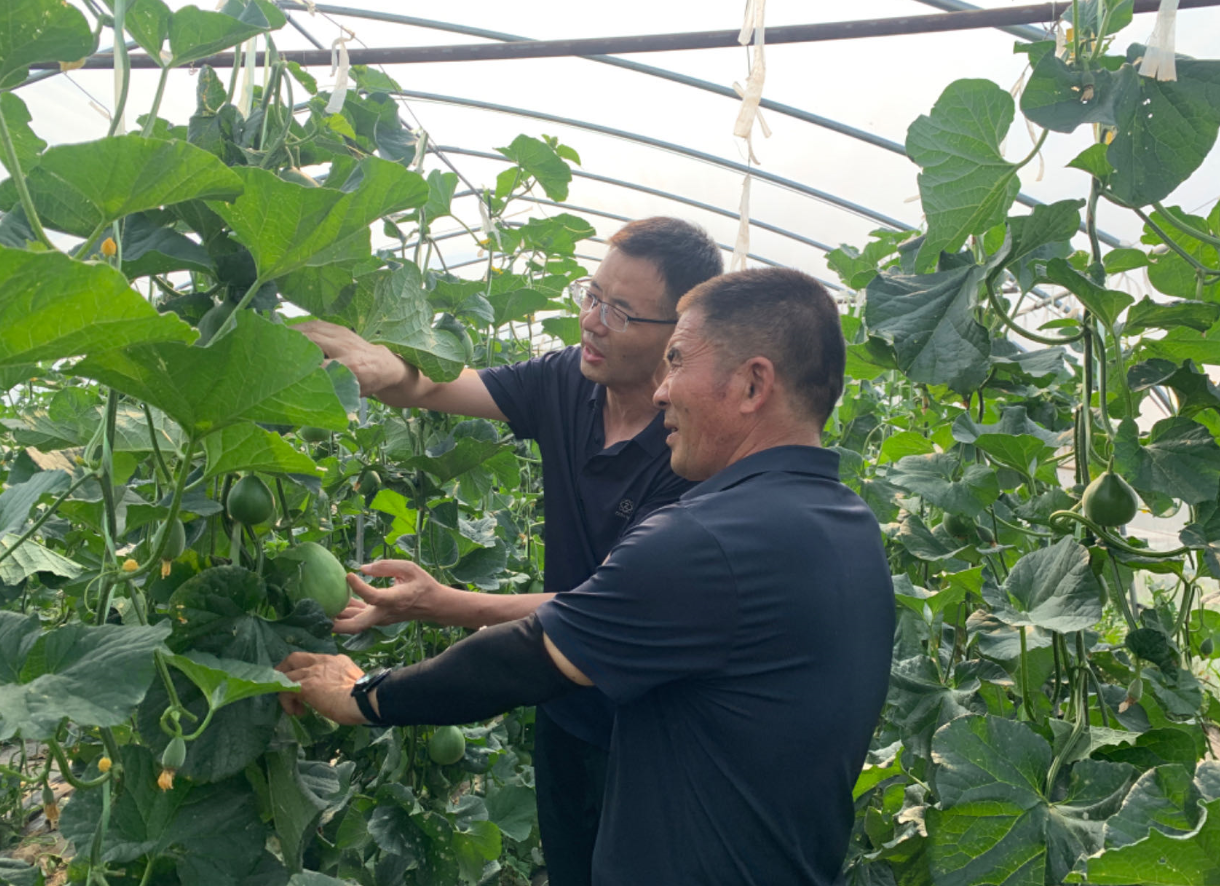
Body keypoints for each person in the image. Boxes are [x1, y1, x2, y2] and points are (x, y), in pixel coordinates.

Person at [280, 267, 896, 886]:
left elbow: (523, 659)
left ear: (753, 384)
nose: (662, 391)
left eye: (677, 361)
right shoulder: (849, 526)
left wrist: (363, 696)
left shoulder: (706, 539)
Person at [296, 217, 723, 886]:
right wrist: (382, 367)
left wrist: (441, 604)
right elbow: (438, 387)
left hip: (652, 730)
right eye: (591, 295)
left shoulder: (692, 453)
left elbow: (611, 613)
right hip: (562, 704)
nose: (592, 322)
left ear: (679, 335)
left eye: (619, 311)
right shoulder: (568, 381)